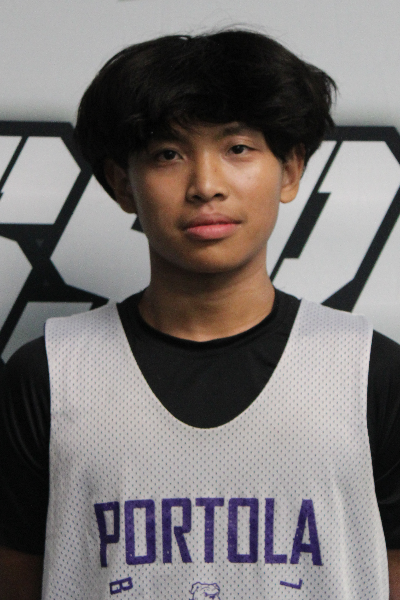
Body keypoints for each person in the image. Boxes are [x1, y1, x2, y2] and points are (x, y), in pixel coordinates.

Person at [1, 29, 400, 600]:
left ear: (290, 170)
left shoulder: (371, 373)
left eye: (238, 148)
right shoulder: (48, 375)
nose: (206, 186)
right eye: (168, 154)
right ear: (122, 183)